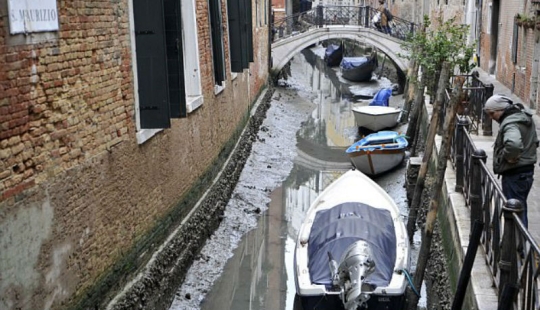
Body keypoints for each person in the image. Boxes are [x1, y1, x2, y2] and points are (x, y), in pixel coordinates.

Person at [484, 94, 539, 227]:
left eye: (492, 113)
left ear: (500, 110)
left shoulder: (510, 123)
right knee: (520, 207)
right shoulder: (522, 117)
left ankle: (517, 246)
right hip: (526, 171)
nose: (491, 118)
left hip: (515, 173)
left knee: (515, 211)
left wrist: (508, 156)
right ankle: (517, 244)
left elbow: (513, 144)